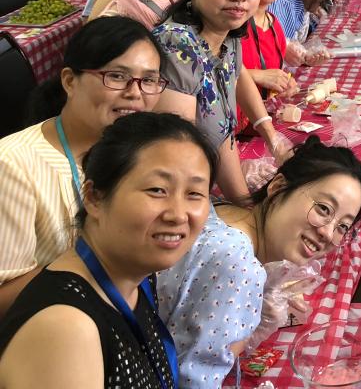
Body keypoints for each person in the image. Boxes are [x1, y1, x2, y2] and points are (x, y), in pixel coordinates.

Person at [0, 112, 217, 389]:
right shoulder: (67, 328)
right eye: (157, 190)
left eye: (194, 194)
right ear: (94, 197)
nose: (178, 214)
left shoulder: (135, 281)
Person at [157, 136, 361, 389]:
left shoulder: (225, 211)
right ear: (277, 187)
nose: (327, 232)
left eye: (343, 226)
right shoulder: (237, 264)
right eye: (323, 209)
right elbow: (191, 382)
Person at [0, 17, 167, 317]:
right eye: (116, 76)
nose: (135, 93)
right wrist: (98, 256)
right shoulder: (13, 165)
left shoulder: (140, 148)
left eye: (149, 80)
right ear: (69, 81)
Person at [152, 0, 292, 204]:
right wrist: (239, 210)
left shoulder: (228, 35)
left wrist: (243, 203)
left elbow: (223, 129)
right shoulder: (177, 44)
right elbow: (179, 154)